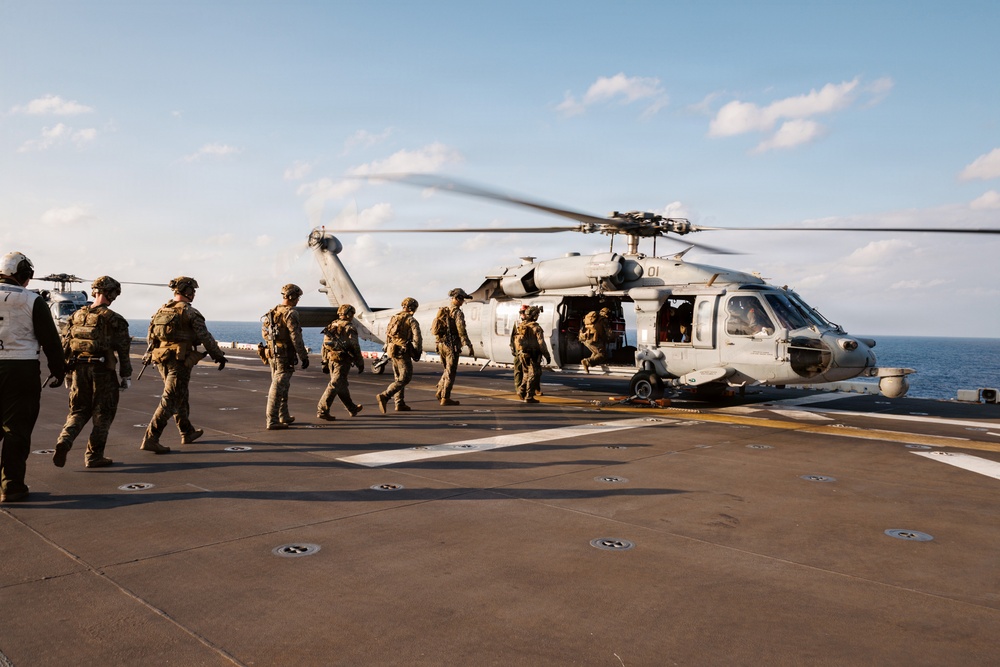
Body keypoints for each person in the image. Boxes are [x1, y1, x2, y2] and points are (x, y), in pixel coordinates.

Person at [0, 251, 66, 502]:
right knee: (17, 429)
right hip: (20, 369)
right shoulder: (31, 300)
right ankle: (12, 485)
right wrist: (58, 370)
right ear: (24, 274)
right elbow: (50, 340)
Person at [139, 276, 227, 454]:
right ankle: (151, 438)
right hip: (179, 361)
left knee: (180, 395)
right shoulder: (189, 312)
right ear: (187, 291)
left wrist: (149, 354)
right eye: (192, 290)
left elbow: (151, 337)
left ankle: (186, 431)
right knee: (170, 399)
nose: (194, 294)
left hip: (161, 359)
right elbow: (205, 337)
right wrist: (218, 355)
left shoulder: (161, 311)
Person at [53, 276, 132, 468]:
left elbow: (66, 346)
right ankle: (94, 455)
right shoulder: (114, 319)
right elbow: (123, 350)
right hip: (103, 370)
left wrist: (66, 372)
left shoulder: (76, 316)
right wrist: (125, 375)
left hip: (78, 369)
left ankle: (64, 440)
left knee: (78, 411)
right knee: (103, 414)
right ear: (111, 293)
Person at [261, 284, 310, 430]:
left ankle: (284, 415)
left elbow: (264, 332)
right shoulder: (291, 313)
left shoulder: (273, 311)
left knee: (283, 385)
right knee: (278, 386)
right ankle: (272, 420)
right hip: (284, 355)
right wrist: (303, 356)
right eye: (297, 297)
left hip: (272, 353)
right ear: (292, 297)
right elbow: (296, 337)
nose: (298, 301)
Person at [317, 303, 364, 420]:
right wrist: (360, 362)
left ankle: (352, 408)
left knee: (341, 385)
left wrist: (324, 361)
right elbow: (355, 346)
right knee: (335, 385)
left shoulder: (331, 325)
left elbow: (324, 345)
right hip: (342, 360)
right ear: (349, 314)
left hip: (331, 359)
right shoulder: (350, 327)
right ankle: (322, 410)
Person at [376, 297, 422, 413]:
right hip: (402, 351)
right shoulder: (411, 320)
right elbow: (417, 338)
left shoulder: (394, 317)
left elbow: (388, 335)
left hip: (392, 350)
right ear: (413, 308)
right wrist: (417, 351)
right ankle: (385, 396)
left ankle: (399, 403)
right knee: (405, 377)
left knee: (398, 377)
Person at [432, 288, 475, 406]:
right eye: (462, 299)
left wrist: (437, 344)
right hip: (451, 346)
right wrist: (468, 344)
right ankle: (445, 397)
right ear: (457, 298)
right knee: (451, 372)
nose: (462, 302)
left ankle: (440, 391)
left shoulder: (444, 311)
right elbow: (461, 329)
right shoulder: (457, 313)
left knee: (446, 370)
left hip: (441, 344)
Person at [512, 305, 550, 404]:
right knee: (534, 374)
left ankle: (521, 390)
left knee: (526, 373)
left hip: (523, 354)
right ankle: (529, 396)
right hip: (533, 354)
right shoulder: (536, 327)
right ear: (534, 316)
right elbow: (541, 343)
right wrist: (547, 355)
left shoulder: (521, 326)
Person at [578, 307, 611, 373]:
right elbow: (609, 332)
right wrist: (611, 337)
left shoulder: (592, 317)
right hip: (592, 339)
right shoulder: (603, 320)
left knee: (596, 352)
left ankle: (589, 365)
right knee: (602, 354)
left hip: (584, 338)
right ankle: (587, 362)